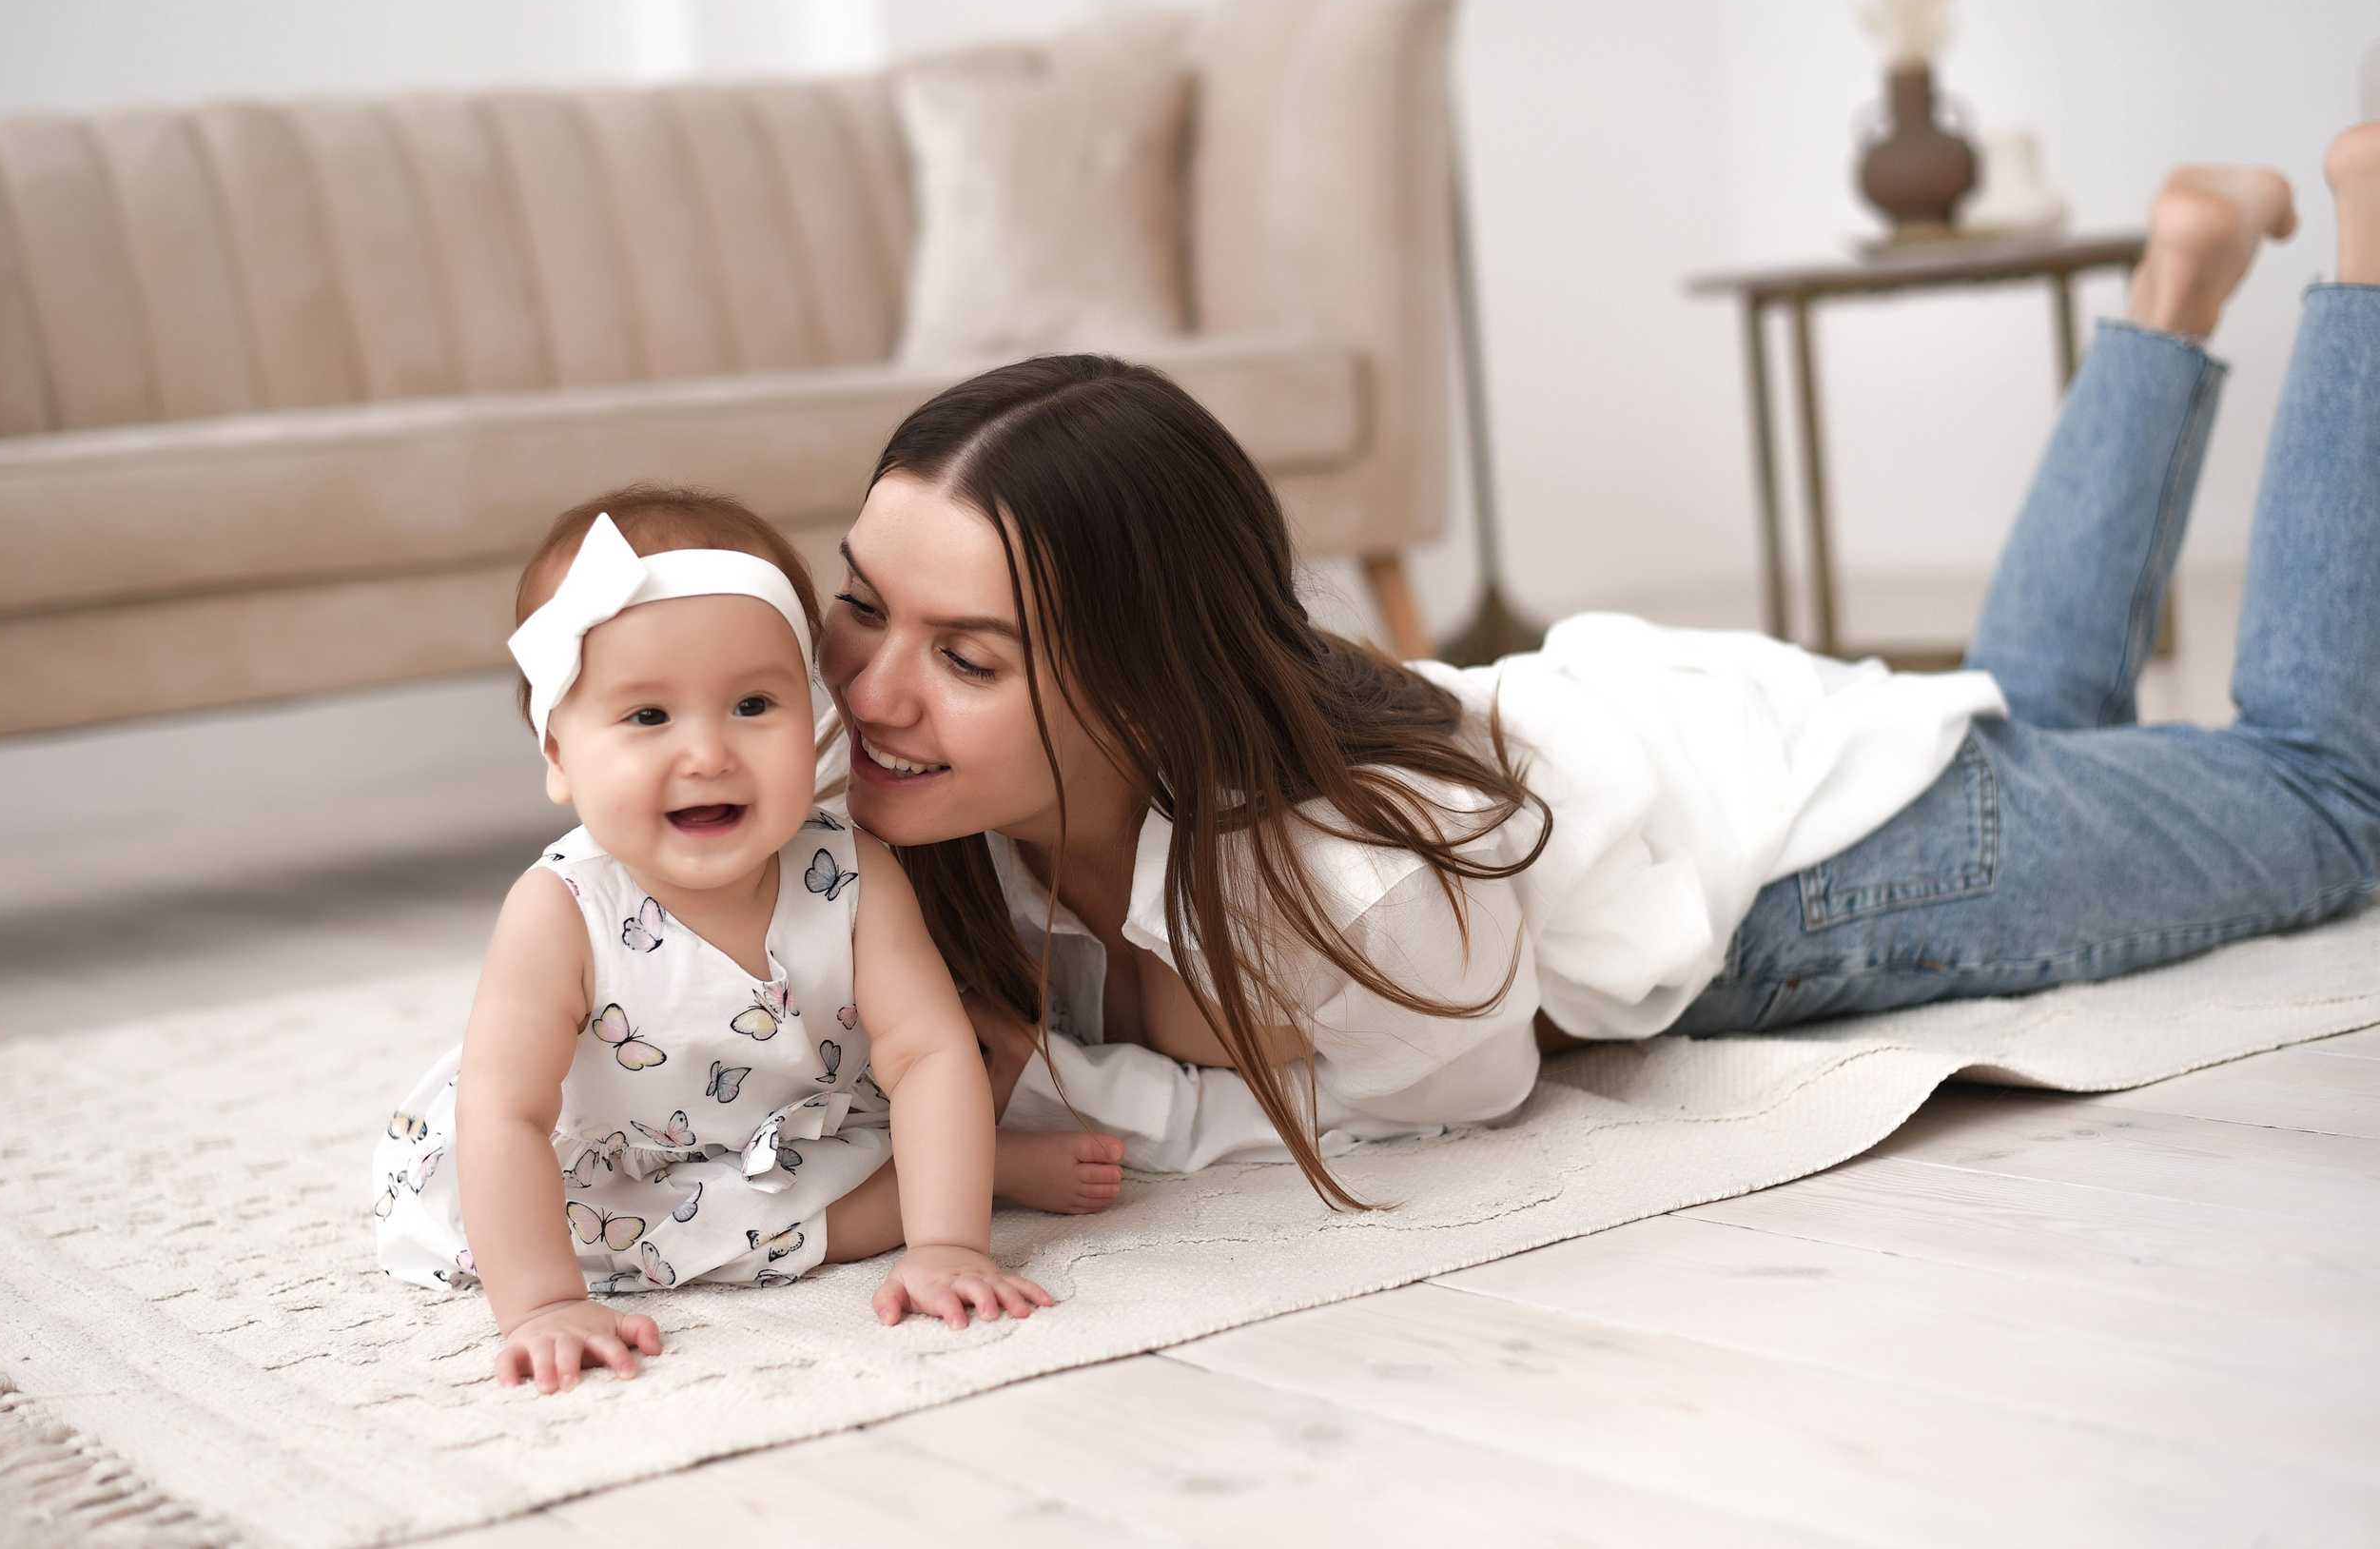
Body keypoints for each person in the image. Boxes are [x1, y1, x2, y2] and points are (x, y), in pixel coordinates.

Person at [816, 125, 2380, 1209]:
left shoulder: (1352, 887)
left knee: (2326, 793)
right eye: (862, 607)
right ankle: (2178, 281)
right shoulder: (925, 811)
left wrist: (1083, 1093)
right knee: (2030, 711)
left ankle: (2367, 252)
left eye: (966, 657)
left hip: (1828, 860)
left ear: (1147, 685)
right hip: (1647, 740)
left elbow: (1457, 1098)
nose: (871, 692)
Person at [373, 487, 1115, 1395]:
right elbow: (505, 1116)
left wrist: (950, 1245)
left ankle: (962, 1188)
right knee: (665, 1240)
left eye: (754, 704)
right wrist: (543, 1305)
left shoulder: (852, 871)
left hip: (789, 1126)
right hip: (604, 1166)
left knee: (883, 1153)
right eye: (649, 717)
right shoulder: (561, 910)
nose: (708, 754)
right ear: (559, 755)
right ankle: (989, 1171)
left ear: (815, 717)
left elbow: (927, 1053)